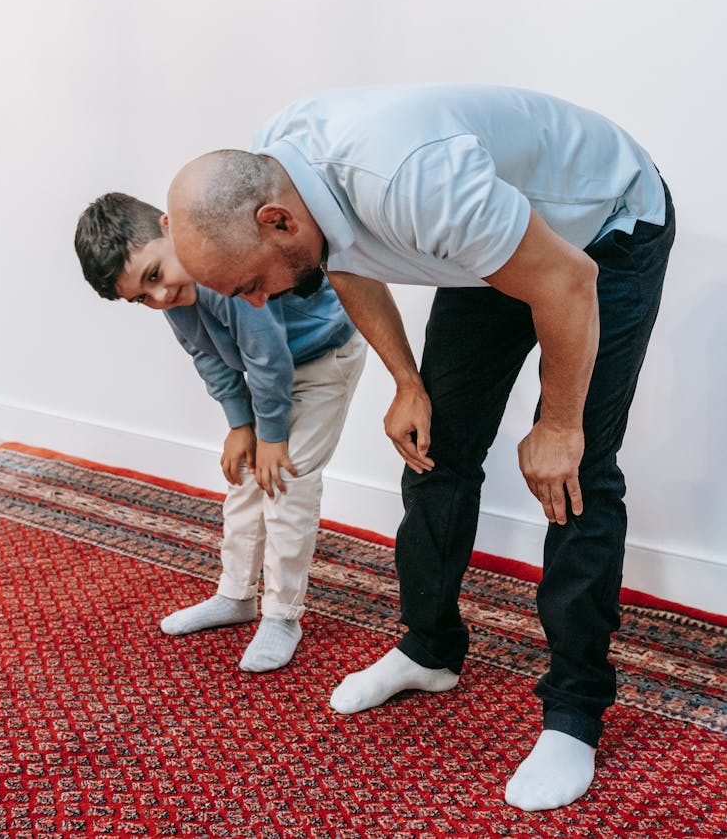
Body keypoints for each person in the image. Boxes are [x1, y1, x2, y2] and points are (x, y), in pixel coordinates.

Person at [165, 84, 675, 812]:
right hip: (496, 236)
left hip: (605, 231)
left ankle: (574, 711)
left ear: (273, 219)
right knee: (434, 440)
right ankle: (429, 648)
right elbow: (337, 255)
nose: (256, 303)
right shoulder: (277, 166)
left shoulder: (415, 179)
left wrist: (559, 423)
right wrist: (406, 380)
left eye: (252, 285)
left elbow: (567, 280)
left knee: (577, 469)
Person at [74, 192, 366, 672]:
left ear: (171, 229)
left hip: (320, 358)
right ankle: (236, 595)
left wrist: (270, 435)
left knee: (287, 480)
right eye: (142, 298)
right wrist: (240, 425)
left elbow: (268, 353)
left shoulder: (220, 266)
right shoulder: (175, 296)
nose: (161, 296)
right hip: (269, 373)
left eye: (154, 275)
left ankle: (283, 615)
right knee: (248, 477)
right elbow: (206, 353)